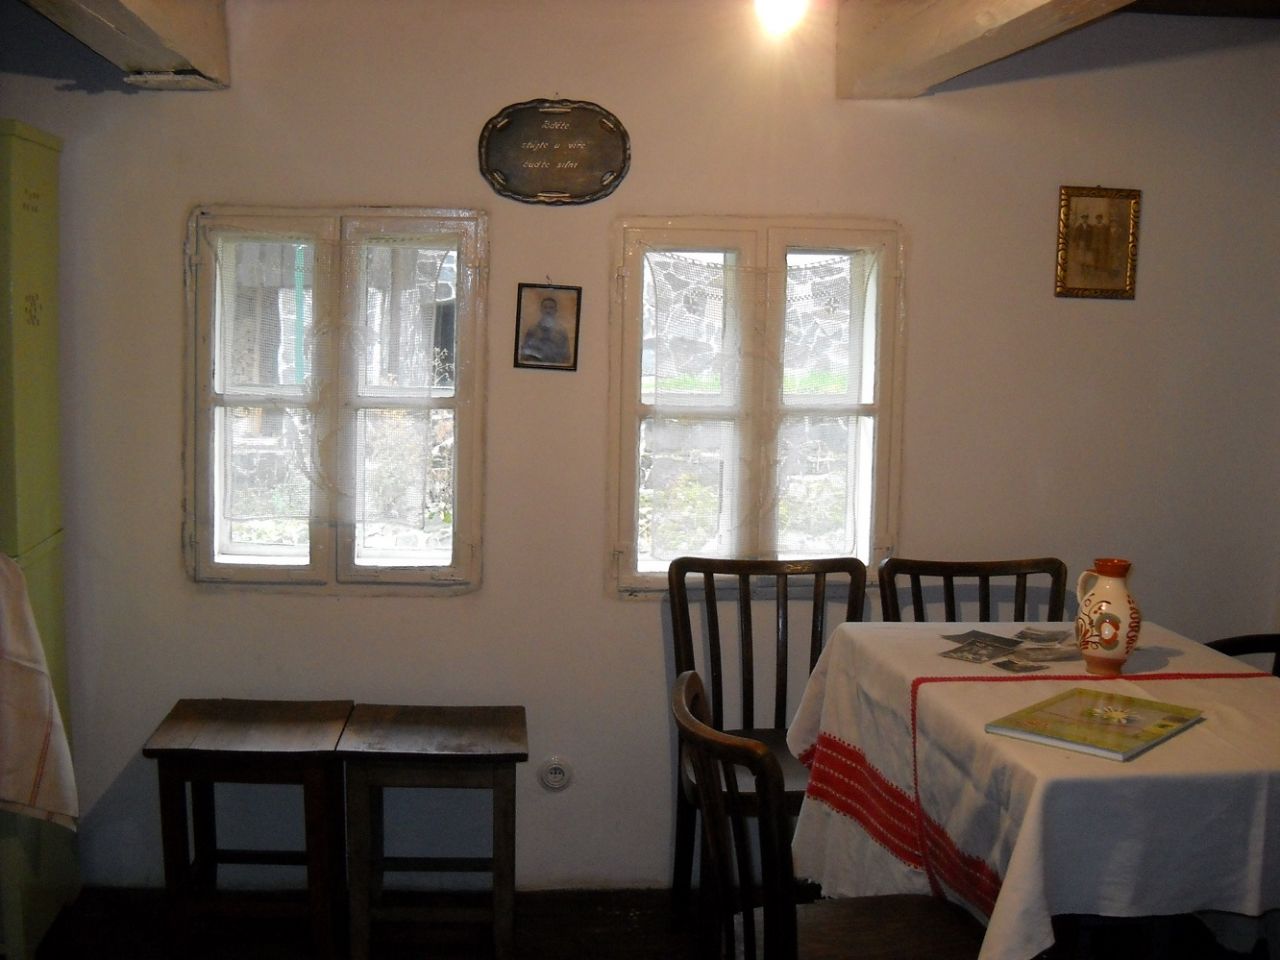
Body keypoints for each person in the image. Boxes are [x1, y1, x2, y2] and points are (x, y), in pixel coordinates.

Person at [519, 295, 571, 365]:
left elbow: (566, 357)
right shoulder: (532, 330)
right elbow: (525, 354)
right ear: (541, 310)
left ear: (555, 311)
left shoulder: (561, 332)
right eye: (545, 307)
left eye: (551, 308)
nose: (548, 311)